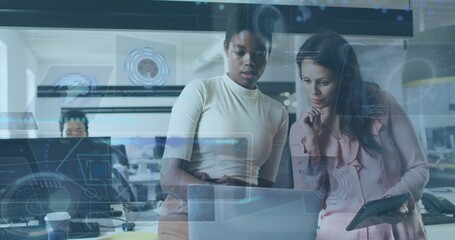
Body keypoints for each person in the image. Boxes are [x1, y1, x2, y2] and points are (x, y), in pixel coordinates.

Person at [158, 5, 289, 240]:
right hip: (186, 220)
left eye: (259, 53)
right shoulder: (200, 91)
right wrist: (222, 194)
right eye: (240, 52)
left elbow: (267, 191)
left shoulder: (277, 112)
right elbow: (169, 177)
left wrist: (235, 194)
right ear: (226, 48)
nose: (250, 61)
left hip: (242, 223)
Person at [290, 30, 429, 240]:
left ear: (345, 78)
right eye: (306, 80)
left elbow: (418, 168)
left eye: (323, 82)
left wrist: (392, 200)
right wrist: (312, 144)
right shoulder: (300, 130)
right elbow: (308, 204)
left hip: (397, 230)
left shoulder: (382, 104)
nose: (313, 92)